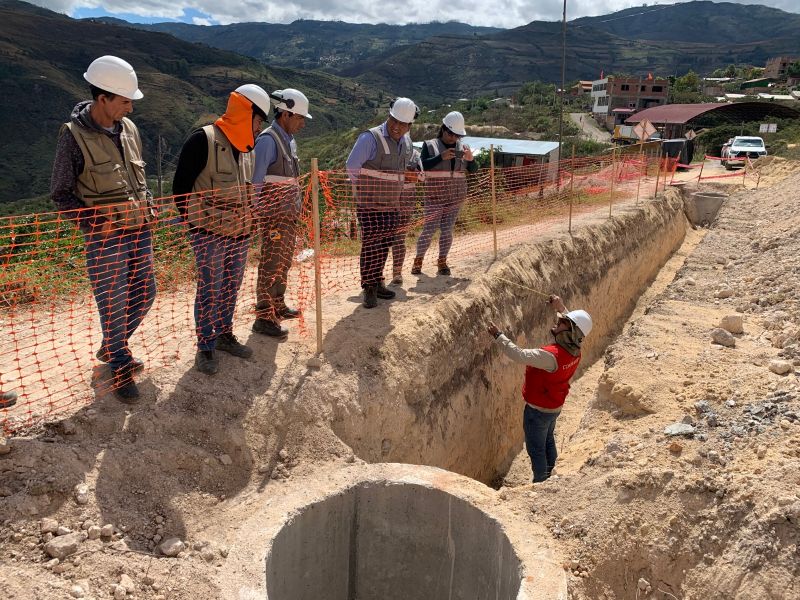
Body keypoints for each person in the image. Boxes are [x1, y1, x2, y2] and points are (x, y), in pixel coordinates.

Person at [50, 55, 155, 402]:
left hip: (139, 229)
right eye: (125, 101)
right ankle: (120, 365)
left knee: (146, 293)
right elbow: (61, 194)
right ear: (103, 99)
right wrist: (95, 222)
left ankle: (112, 347)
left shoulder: (131, 130)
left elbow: (139, 179)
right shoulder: (73, 136)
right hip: (105, 238)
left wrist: (149, 203)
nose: (131, 108)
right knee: (114, 302)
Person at [172, 84, 272, 375]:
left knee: (231, 286)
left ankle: (224, 334)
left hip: (240, 233)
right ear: (246, 113)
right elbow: (180, 189)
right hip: (209, 234)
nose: (259, 127)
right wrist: (195, 227)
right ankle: (205, 345)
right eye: (258, 120)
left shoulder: (248, 148)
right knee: (209, 290)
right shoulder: (202, 140)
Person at [487, 295, 592, 483]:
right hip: (553, 407)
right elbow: (575, 327)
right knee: (548, 441)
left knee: (536, 450)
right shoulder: (575, 349)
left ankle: (541, 484)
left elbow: (518, 355)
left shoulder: (549, 357)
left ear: (569, 332)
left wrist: (498, 335)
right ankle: (552, 477)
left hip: (537, 411)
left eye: (562, 323)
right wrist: (560, 307)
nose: (558, 322)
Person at [346, 97, 418, 308]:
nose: (396, 127)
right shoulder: (371, 138)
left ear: (409, 126)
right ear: (389, 116)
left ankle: (377, 281)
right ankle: (368, 286)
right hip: (369, 204)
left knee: (385, 244)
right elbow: (351, 166)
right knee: (371, 245)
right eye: (393, 121)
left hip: (391, 205)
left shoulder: (406, 142)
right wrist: (364, 190)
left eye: (402, 124)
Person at [251, 89, 311, 339]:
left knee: (284, 261)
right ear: (285, 113)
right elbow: (255, 182)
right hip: (273, 217)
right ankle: (264, 315)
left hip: (288, 215)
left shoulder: (289, 140)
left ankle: (278, 304)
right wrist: (256, 212)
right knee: (271, 262)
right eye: (299, 117)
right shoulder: (268, 140)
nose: (302, 123)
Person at [411, 111, 478, 277]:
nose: (453, 138)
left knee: (447, 230)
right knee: (429, 229)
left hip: (455, 198)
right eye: (451, 134)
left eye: (457, 135)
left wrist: (471, 160)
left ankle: (442, 262)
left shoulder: (463, 148)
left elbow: (473, 170)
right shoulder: (430, 145)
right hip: (435, 197)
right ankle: (418, 260)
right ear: (443, 129)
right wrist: (440, 157)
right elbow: (422, 166)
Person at [389, 148, 423, 285]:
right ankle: (376, 276)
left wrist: (402, 173)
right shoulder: (386, 151)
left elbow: (420, 177)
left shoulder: (415, 155)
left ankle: (397, 272)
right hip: (384, 200)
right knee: (381, 239)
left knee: (399, 238)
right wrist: (407, 174)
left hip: (406, 203)